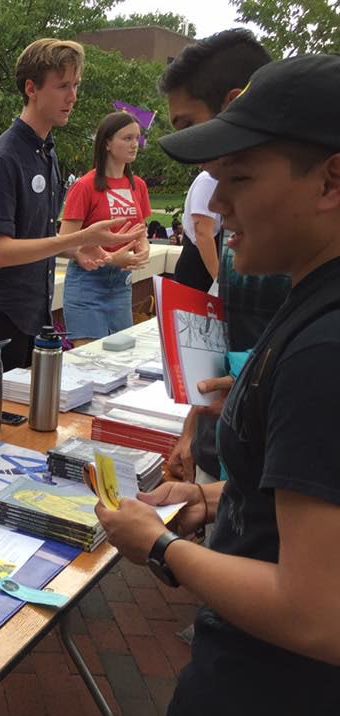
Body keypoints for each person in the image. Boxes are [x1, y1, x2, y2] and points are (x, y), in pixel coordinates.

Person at [98, 53, 340, 716]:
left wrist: (162, 545)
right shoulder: (312, 301)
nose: (216, 203)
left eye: (238, 177)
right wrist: (211, 497)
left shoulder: (324, 349)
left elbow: (315, 613)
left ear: (331, 180)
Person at [157, 29, 290, 487]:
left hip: (282, 477)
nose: (216, 205)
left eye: (188, 125)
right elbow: (221, 347)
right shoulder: (237, 219)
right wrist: (192, 433)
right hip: (228, 461)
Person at [0, 38, 145, 370]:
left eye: (75, 85)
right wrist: (79, 239)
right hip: (1, 313)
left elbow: (38, 237)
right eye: (63, 86)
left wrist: (82, 251)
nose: (73, 96)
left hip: (33, 310)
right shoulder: (3, 158)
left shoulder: (46, 153)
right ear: (31, 88)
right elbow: (0, 252)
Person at [60, 111, 151, 345]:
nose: (135, 145)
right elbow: (64, 242)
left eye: (137, 138)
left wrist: (144, 249)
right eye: (127, 138)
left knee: (120, 360)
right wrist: (110, 257)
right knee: (89, 363)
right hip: (88, 285)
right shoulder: (84, 186)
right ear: (107, 143)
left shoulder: (138, 186)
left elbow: (141, 231)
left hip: (121, 286)